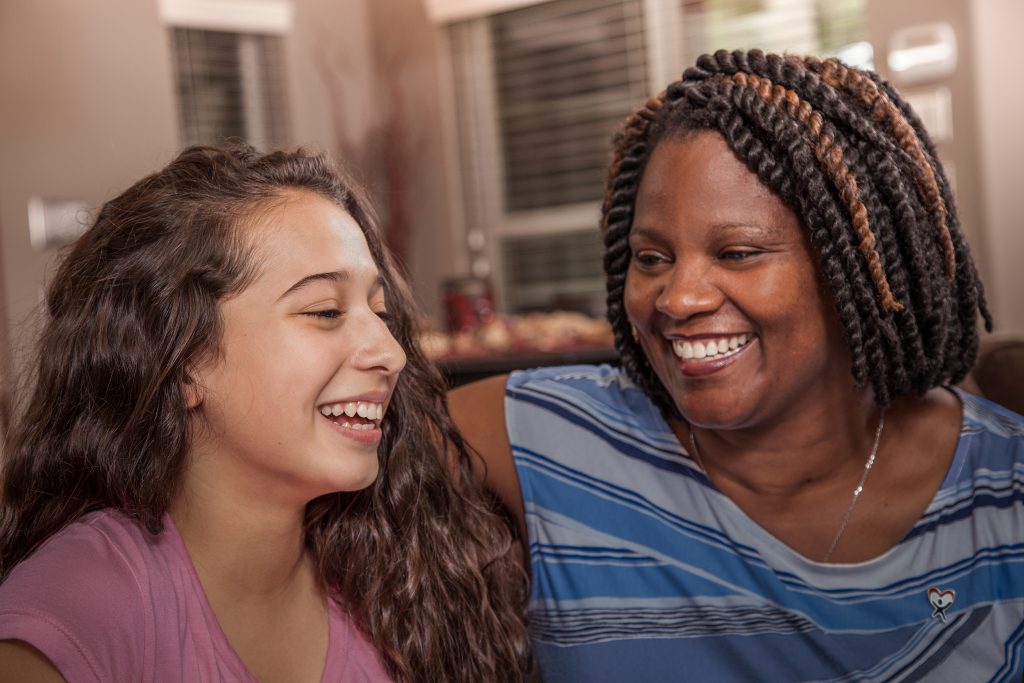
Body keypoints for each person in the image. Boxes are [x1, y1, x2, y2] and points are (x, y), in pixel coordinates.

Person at [450, 49, 1024, 682]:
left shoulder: (1004, 490)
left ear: (858, 273)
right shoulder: (548, 439)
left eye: (739, 252)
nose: (678, 298)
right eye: (651, 258)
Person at [0, 146, 530, 682]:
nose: (391, 353)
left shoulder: (399, 578)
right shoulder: (76, 614)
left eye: (380, 311)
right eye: (324, 311)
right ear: (183, 362)